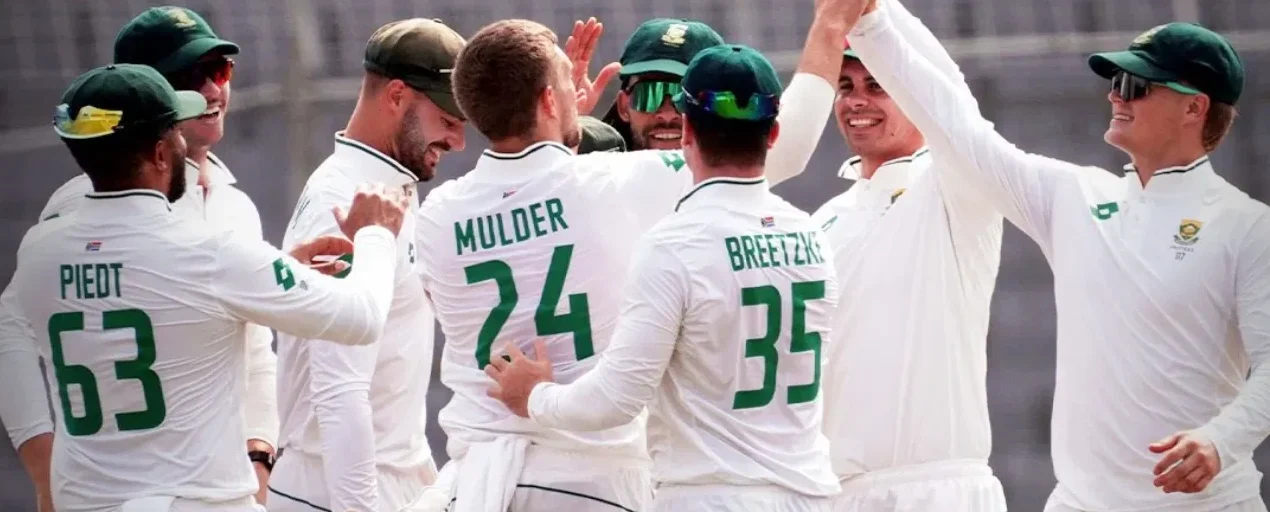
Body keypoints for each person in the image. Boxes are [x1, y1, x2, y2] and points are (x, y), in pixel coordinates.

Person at [415, 3, 852, 508]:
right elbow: (781, 148)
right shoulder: (620, 183)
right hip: (589, 478)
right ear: (549, 101)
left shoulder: (439, 214)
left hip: (476, 482)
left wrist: (558, 119)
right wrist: (830, 28)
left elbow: (527, 220)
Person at [846, 1, 1269, 510]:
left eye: (1136, 85)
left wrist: (1223, 439)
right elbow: (958, 125)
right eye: (1114, 81)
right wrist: (871, 18)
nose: (1115, 94)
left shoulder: (1247, 226)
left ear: (1194, 108)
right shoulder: (1077, 196)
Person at [8, 63, 405, 512]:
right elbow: (362, 318)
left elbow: (151, 300)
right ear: (160, 154)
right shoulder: (208, 251)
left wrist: (271, 271)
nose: (184, 144)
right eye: (176, 133)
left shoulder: (40, 253)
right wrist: (376, 234)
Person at [0, 6, 279, 508]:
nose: (214, 91)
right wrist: (43, 467)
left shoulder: (235, 204)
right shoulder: (80, 207)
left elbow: (255, 344)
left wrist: (258, 455)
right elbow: (10, 330)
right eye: (191, 77)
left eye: (221, 71)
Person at [808, 2, 1007, 509]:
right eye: (846, 86)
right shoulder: (821, 220)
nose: (857, 102)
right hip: (837, 492)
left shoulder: (954, 187)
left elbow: (952, 93)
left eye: (878, 86)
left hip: (940, 490)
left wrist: (877, 13)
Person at [268, 18, 466, 512]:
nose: (459, 140)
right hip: (336, 488)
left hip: (381, 476)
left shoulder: (386, 182)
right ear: (397, 96)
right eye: (448, 118)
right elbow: (339, 390)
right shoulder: (345, 200)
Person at [598, 18, 725, 150]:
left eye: (687, 98)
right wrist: (575, 136)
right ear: (624, 106)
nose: (667, 115)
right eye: (648, 95)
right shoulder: (591, 168)